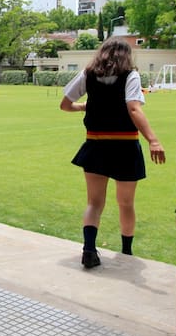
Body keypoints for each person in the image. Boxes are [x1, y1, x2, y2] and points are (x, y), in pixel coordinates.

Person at [60, 37, 165, 268]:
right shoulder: (131, 76)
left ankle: (89, 250)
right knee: (126, 203)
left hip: (95, 145)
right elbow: (134, 108)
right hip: (125, 146)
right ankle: (126, 252)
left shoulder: (88, 74)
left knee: (94, 203)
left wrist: (83, 106)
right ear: (127, 55)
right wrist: (153, 140)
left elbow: (65, 104)